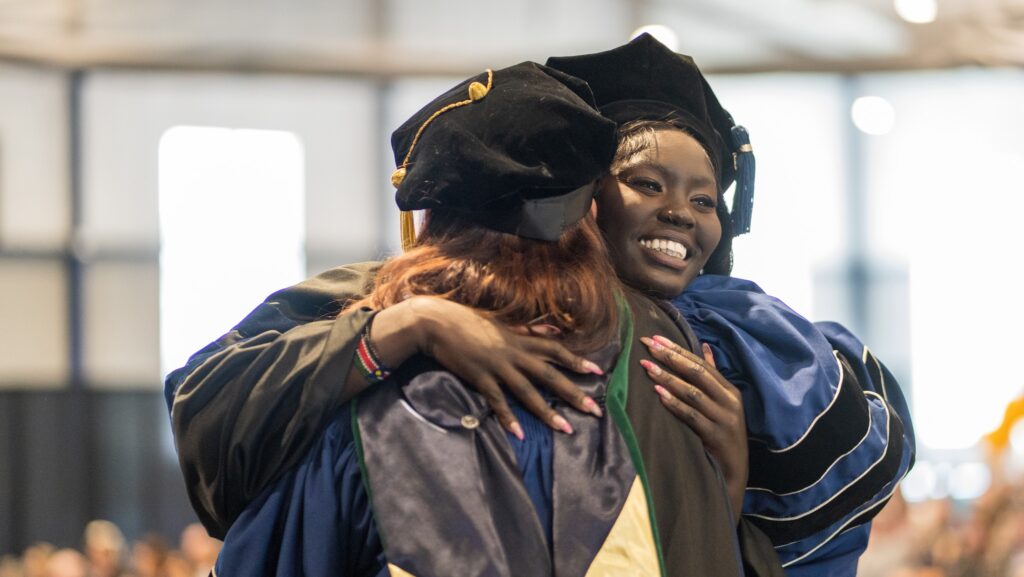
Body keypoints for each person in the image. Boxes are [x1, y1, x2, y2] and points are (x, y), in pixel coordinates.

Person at [168, 36, 913, 576]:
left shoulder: (723, 356)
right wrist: (410, 321)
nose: (680, 214)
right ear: (588, 203)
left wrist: (727, 482)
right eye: (645, 184)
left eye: (703, 197)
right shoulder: (377, 317)